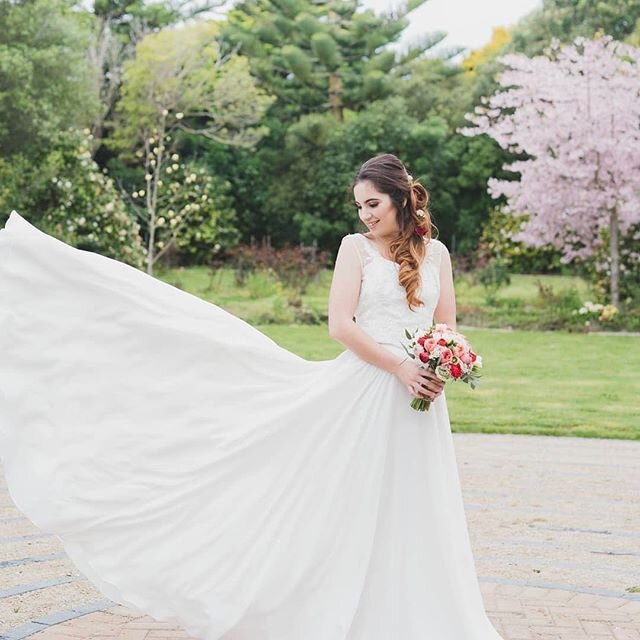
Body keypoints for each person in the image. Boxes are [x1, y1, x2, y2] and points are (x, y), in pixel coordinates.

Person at [0, 153, 503, 639]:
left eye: (373, 203)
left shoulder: (435, 254)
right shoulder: (355, 248)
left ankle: (417, 614)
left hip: (420, 401)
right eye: (360, 206)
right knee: (350, 504)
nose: (366, 215)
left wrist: (442, 359)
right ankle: (344, 609)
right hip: (367, 389)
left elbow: (447, 323)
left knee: (416, 505)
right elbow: (340, 326)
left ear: (400, 198)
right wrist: (398, 366)